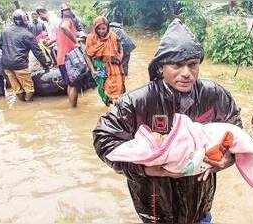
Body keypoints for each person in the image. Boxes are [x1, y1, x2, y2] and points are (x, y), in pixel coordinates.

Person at [92, 19, 243, 223]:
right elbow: (103, 138)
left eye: (192, 65)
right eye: (177, 65)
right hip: (155, 208)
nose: (186, 73)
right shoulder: (138, 101)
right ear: (160, 67)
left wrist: (227, 160)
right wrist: (143, 169)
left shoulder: (214, 95)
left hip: (200, 205)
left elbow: (236, 133)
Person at [0, 9, 48, 102]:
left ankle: (21, 105)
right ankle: (28, 106)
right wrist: (46, 66)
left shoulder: (5, 31)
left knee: (16, 88)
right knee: (29, 88)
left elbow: (1, 46)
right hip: (20, 65)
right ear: (24, 21)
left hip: (6, 65)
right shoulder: (28, 35)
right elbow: (38, 52)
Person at [86, 16, 125, 102]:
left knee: (116, 88)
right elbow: (87, 56)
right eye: (98, 29)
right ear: (95, 28)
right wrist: (92, 70)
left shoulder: (113, 36)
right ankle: (109, 105)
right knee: (103, 90)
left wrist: (119, 58)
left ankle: (116, 107)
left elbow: (120, 48)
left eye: (103, 28)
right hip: (100, 67)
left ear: (107, 27)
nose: (101, 31)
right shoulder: (90, 38)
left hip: (114, 66)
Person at [56, 3, 80, 107]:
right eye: (65, 10)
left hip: (61, 58)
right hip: (69, 59)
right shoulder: (67, 21)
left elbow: (61, 35)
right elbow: (64, 28)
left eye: (68, 9)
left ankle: (71, 108)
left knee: (70, 84)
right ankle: (74, 110)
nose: (67, 11)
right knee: (74, 85)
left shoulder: (60, 23)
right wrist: (76, 42)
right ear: (63, 12)